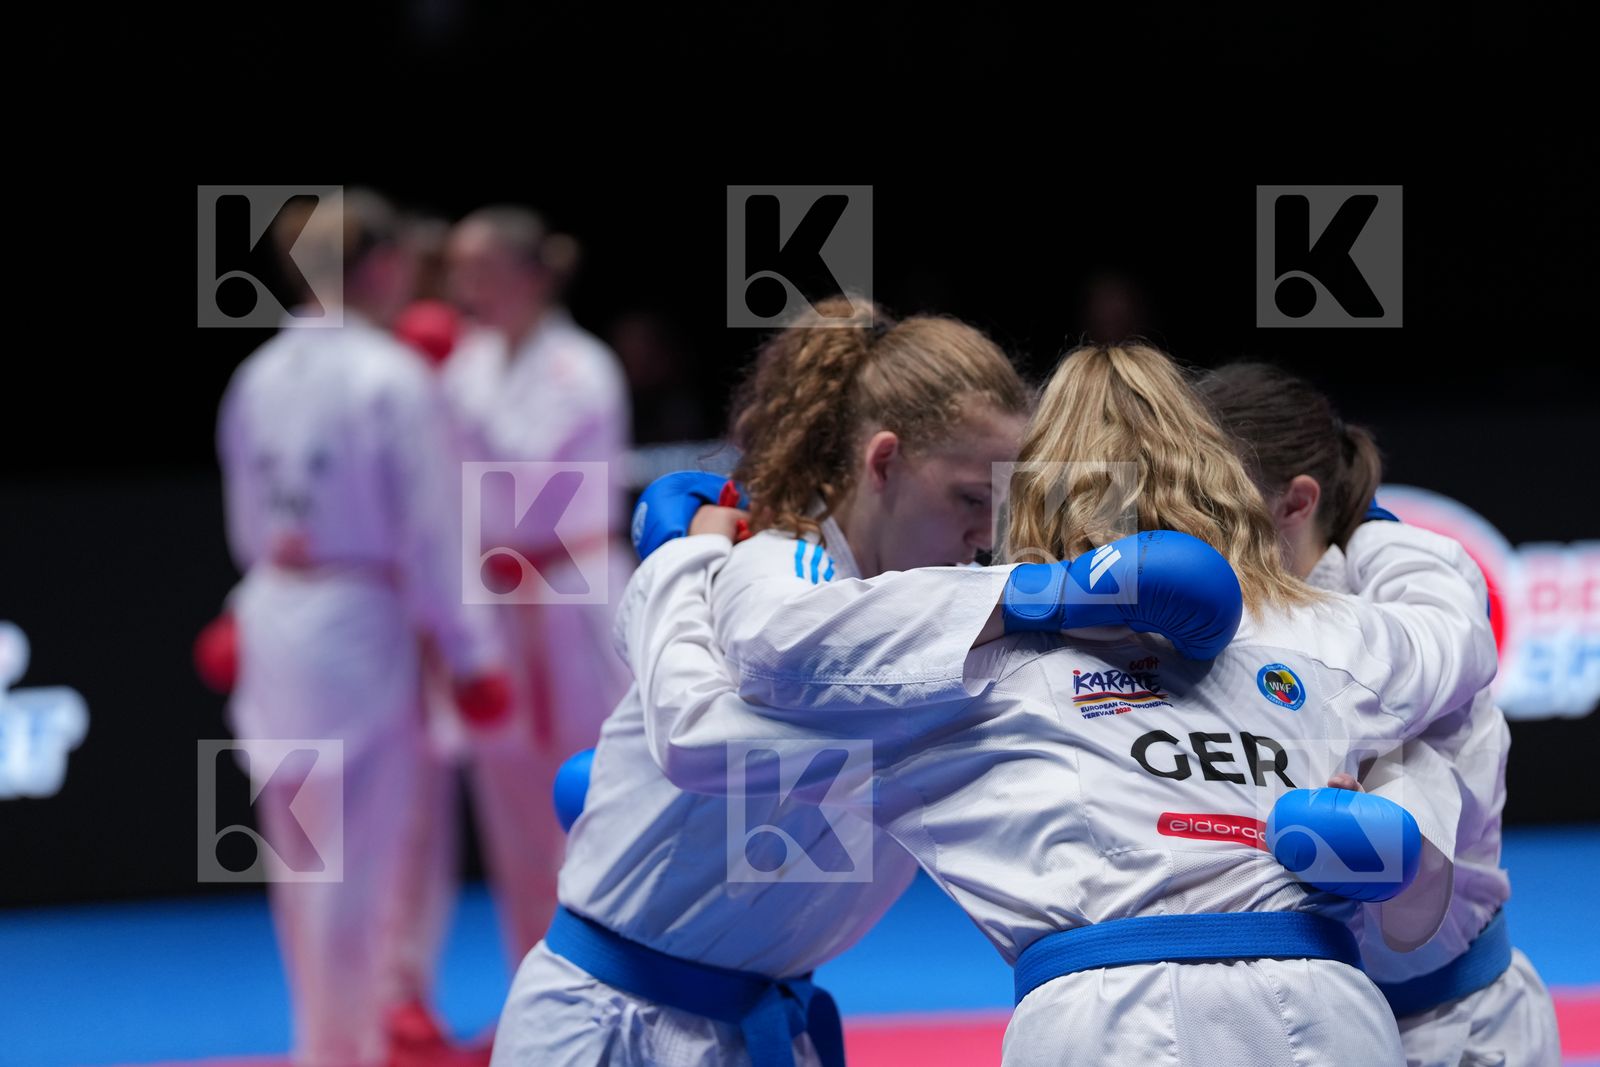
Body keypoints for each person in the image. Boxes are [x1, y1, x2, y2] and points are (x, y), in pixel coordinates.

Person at [617, 343, 1499, 1065]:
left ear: (1030, 488)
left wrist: (680, 564)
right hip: (1325, 1013)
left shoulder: (951, 648)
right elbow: (1456, 640)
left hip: (1099, 1023)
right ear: (1216, 471)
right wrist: (1372, 526)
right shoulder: (1322, 629)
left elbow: (726, 699)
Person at [491, 295, 1043, 1067]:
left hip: (760, 1022)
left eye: (1002, 505)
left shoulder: (937, 611)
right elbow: (703, 733)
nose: (987, 534)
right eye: (969, 498)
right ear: (883, 461)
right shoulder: (777, 570)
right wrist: (687, 559)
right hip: (611, 1025)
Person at [217, 188, 507, 1067]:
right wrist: (473, 654)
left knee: (301, 861)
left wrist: (242, 608)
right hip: (361, 627)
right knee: (360, 862)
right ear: (380, 267)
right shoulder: (392, 376)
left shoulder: (255, 375)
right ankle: (343, 1050)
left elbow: (246, 526)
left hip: (279, 619)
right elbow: (431, 532)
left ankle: (334, 1039)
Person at [1200, 361, 1561, 1067]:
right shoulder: (1208, 606)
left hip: (1457, 1031)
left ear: (1296, 504)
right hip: (1297, 1026)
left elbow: (1448, 646)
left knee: (1387, 793)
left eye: (1208, 500)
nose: (1182, 522)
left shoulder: (1399, 583)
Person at [442, 205, 636, 962]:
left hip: (572, 589)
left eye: (478, 270)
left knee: (591, 797)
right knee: (511, 812)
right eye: (457, 270)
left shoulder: (579, 366)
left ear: (529, 276)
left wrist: (445, 393)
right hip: (495, 594)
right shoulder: (467, 363)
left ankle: (613, 980)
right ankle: (533, 986)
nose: (462, 288)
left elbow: (527, 474)